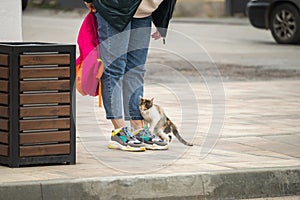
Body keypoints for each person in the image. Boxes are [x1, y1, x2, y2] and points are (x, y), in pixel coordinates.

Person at [83, 0, 177, 152]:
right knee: (114, 69)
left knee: (136, 71)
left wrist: (162, 21)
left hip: (143, 12)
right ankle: (119, 132)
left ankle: (137, 128)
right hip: (114, 9)